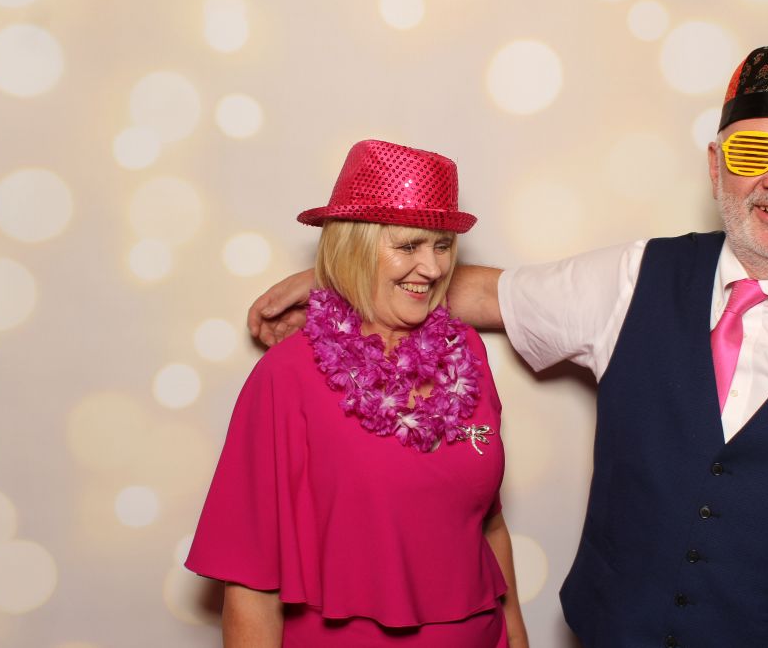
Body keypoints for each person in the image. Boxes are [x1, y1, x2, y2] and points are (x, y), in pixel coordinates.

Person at [246, 42, 768, 647]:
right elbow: (487, 293)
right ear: (716, 165)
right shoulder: (634, 275)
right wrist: (347, 278)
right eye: (752, 153)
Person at [186, 139, 529, 647]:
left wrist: (517, 640)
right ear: (355, 248)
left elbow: (488, 527)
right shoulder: (288, 375)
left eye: (442, 246)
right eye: (409, 246)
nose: (434, 268)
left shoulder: (467, 352)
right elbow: (250, 586)